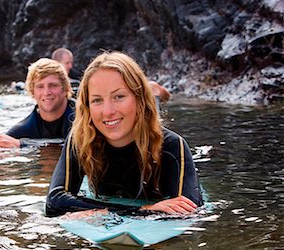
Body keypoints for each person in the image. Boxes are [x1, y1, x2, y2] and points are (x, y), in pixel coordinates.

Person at [45, 51, 202, 217]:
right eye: (97, 100)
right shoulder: (80, 140)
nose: (108, 111)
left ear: (139, 98)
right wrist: (141, 211)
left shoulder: (172, 145)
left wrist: (100, 211)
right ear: (87, 107)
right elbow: (54, 202)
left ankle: (154, 92)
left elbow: (190, 210)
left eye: (119, 96)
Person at [0, 58, 75, 148]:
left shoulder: (84, 117)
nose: (47, 92)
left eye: (53, 85)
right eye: (40, 87)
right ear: (32, 92)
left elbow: (75, 143)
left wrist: (23, 144)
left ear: (65, 88)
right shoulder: (22, 130)